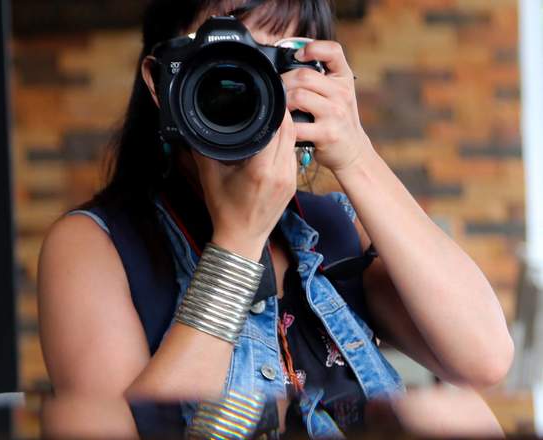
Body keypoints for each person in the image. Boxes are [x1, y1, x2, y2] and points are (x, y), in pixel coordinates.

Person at [37, 0, 514, 437]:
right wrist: (238, 241)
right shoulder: (96, 247)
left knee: (465, 414)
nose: (243, 87)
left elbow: (484, 359)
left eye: (273, 62)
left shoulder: (332, 229)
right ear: (160, 81)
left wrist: (355, 156)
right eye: (222, 61)